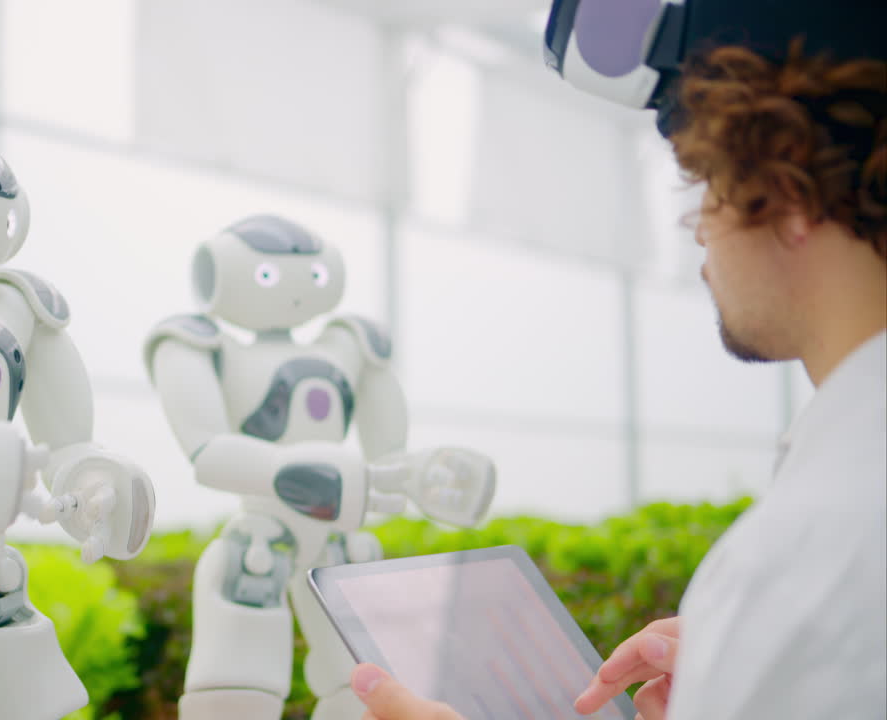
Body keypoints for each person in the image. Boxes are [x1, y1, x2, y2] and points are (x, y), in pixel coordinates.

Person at [350, 2, 886, 718]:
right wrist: (742, 669)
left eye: (704, 179)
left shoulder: (812, 557)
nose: (697, 232)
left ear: (786, 195)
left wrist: (763, 643)